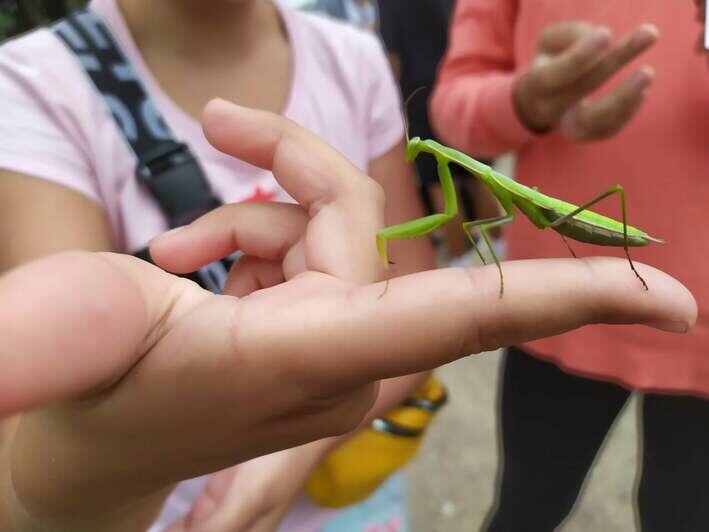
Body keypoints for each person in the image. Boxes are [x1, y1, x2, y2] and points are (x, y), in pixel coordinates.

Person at [0, 99, 698, 532]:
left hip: (594, 228)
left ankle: (633, 264)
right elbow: (465, 224)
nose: (417, 153)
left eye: (422, 151)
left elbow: (477, 219)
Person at [0, 0, 437, 529]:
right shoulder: (31, 85)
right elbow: (36, 442)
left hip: (348, 494)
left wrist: (295, 449)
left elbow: (416, 288)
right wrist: (88, 472)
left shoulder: (354, 61)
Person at [431, 1, 709, 530]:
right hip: (554, 310)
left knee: (684, 517)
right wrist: (522, 101)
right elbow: (456, 102)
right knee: (525, 508)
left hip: (704, 332)